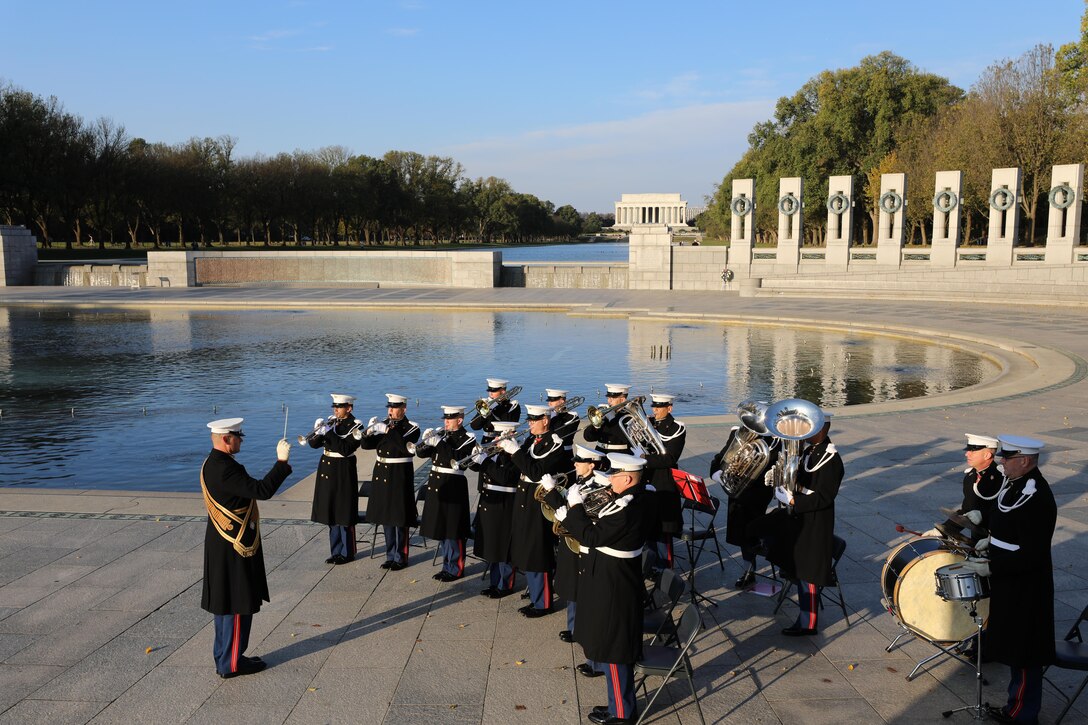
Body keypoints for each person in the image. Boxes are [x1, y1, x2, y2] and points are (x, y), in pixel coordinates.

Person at [553, 452, 655, 725]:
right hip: (612, 577)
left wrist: (574, 509)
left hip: (614, 583)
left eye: (613, 476)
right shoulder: (631, 499)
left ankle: (621, 712)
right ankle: (617, 704)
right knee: (610, 644)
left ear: (627, 477)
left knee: (614, 649)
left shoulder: (627, 506)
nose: (609, 481)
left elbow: (592, 536)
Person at [964, 436, 1055, 725]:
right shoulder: (1017, 485)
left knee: (1025, 652)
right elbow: (1007, 520)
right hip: (1009, 580)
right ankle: (1014, 706)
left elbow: (1032, 553)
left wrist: (993, 567)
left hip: (1026, 585)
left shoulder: (1037, 496)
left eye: (1008, 458)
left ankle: (1023, 714)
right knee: (1014, 645)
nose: (1002, 462)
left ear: (1025, 461)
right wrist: (989, 534)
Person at [200, 417, 292, 679]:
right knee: (237, 604)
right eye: (238, 436)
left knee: (225, 605)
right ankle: (231, 664)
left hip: (221, 543)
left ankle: (226, 656)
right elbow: (262, 491)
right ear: (226, 439)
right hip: (234, 547)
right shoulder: (227, 469)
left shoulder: (212, 463)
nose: (241, 440)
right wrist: (281, 463)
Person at [755, 414, 843, 636]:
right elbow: (801, 481)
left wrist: (794, 500)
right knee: (767, 531)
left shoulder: (831, 459)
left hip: (816, 523)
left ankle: (808, 623)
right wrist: (778, 480)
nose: (805, 434)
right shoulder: (810, 452)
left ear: (822, 430)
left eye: (810, 429)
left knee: (809, 573)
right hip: (802, 518)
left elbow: (824, 497)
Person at [540, 445, 607, 676]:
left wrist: (552, 494)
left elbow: (578, 519)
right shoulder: (579, 484)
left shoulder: (599, 488)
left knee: (584, 596)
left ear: (592, 465)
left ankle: (583, 636)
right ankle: (573, 627)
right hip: (570, 544)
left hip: (584, 547)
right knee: (571, 587)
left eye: (580, 461)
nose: (575, 464)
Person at [499, 403, 565, 617]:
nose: (530, 424)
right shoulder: (531, 440)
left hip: (539, 502)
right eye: (529, 420)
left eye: (534, 420)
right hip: (524, 498)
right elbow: (519, 466)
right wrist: (506, 447)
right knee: (526, 548)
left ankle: (544, 603)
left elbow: (536, 472)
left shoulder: (555, 444)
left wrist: (516, 451)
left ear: (545, 420)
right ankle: (536, 596)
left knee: (538, 552)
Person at [710, 407, 779, 588]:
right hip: (737, 492)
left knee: (752, 532)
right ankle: (748, 570)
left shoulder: (774, 441)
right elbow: (721, 457)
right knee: (740, 534)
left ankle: (758, 561)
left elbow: (779, 466)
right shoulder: (737, 434)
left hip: (758, 494)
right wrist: (716, 472)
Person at [359, 393, 420, 570]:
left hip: (399, 474)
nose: (390, 411)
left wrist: (388, 431)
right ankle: (390, 554)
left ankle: (401, 557)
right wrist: (369, 433)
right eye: (389, 408)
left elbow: (404, 447)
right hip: (382, 473)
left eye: (394, 408)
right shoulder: (384, 425)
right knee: (386, 517)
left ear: (403, 409)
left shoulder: (411, 427)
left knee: (399, 518)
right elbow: (366, 446)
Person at [415, 405, 477, 582]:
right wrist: (426, 440)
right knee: (442, 528)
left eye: (450, 419)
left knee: (453, 530)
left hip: (453, 485)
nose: (446, 422)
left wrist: (439, 443)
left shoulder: (467, 438)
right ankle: (446, 566)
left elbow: (457, 458)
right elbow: (420, 453)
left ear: (459, 420)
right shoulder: (441, 436)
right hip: (437, 485)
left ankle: (456, 568)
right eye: (445, 418)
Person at [307, 393, 363, 565]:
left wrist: (329, 433)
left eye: (339, 407)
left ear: (349, 408)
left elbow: (346, 449)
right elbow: (314, 445)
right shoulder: (332, 422)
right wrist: (316, 432)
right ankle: (336, 551)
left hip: (343, 471)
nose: (335, 410)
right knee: (331, 512)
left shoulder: (356, 426)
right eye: (334, 407)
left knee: (344, 513)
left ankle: (348, 552)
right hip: (327, 470)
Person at [470, 420, 521, 598]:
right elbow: (475, 466)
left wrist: (485, 462)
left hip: (505, 503)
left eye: (502, 436)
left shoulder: (516, 455)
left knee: (504, 548)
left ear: (512, 435)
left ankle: (505, 585)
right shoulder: (493, 452)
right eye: (497, 436)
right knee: (492, 545)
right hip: (489, 502)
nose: (497, 439)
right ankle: (494, 583)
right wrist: (476, 458)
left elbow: (505, 477)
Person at [923, 433, 1002, 544]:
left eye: (972, 451)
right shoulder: (970, 477)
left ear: (987, 455)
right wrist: (943, 530)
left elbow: (1009, 514)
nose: (967, 454)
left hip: (999, 540)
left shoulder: (1001, 478)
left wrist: (990, 537)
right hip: (978, 541)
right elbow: (966, 511)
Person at [640, 393, 687, 569]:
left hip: (663, 482)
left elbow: (670, 459)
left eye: (659, 407)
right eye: (654, 407)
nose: (655, 410)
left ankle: (665, 569)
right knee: (648, 527)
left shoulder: (677, 429)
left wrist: (644, 458)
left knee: (662, 531)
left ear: (669, 408)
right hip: (647, 481)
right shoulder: (650, 424)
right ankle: (650, 566)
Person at [582, 383, 633, 455]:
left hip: (620, 455)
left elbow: (625, 438)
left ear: (622, 400)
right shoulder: (605, 413)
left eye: (612, 398)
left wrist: (612, 419)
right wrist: (595, 426)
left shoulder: (629, 415)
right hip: (600, 453)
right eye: (608, 398)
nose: (609, 401)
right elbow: (588, 437)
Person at [469, 377, 521, 443]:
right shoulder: (486, 404)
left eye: (494, 391)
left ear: (503, 391)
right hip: (487, 440)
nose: (490, 393)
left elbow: (508, 424)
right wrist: (483, 413)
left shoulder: (512, 405)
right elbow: (475, 427)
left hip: (504, 440)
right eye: (489, 391)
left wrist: (494, 408)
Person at [546, 388, 581, 473]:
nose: (549, 403)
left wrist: (554, 416)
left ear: (562, 401)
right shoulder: (549, 415)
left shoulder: (571, 416)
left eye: (552, 401)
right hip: (549, 454)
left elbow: (561, 435)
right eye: (549, 400)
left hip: (565, 455)